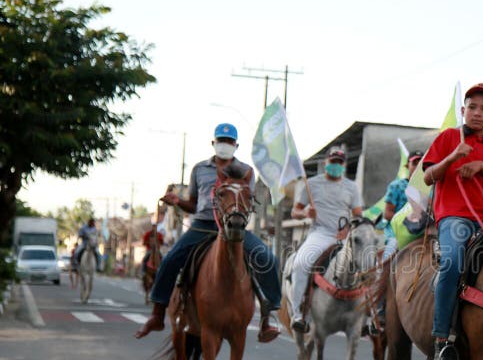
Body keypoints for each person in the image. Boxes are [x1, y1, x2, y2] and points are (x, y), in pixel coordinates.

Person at [134, 123, 282, 343]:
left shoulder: (246, 171)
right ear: (214, 143)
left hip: (234, 227)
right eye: (221, 140)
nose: (225, 145)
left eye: (229, 142)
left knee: (267, 258)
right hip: (202, 224)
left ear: (236, 145)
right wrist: (178, 202)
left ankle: (268, 318)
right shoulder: (199, 169)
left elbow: (247, 203)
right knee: (170, 260)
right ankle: (157, 315)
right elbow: (193, 204)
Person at [422, 83, 483, 360]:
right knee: (451, 263)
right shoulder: (448, 137)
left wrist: (482, 168)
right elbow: (428, 177)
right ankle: (442, 341)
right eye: (472, 107)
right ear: (463, 111)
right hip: (455, 217)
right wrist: (453, 157)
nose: (477, 112)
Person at [289, 147, 364, 333]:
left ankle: (369, 318)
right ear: (326, 163)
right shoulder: (311, 183)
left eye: (339, 162)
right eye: (333, 162)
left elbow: (358, 216)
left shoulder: (352, 187)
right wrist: (305, 212)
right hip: (320, 234)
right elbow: (294, 211)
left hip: (344, 237)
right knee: (300, 263)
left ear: (344, 165)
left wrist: (348, 229)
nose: (336, 165)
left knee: (368, 264)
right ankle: (297, 313)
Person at [381, 150, 423, 260]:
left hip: (420, 232)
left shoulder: (428, 188)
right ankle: (381, 275)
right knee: (390, 252)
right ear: (407, 165)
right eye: (414, 163)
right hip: (396, 233)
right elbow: (387, 213)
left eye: (421, 164)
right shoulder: (396, 186)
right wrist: (406, 223)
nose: (417, 167)